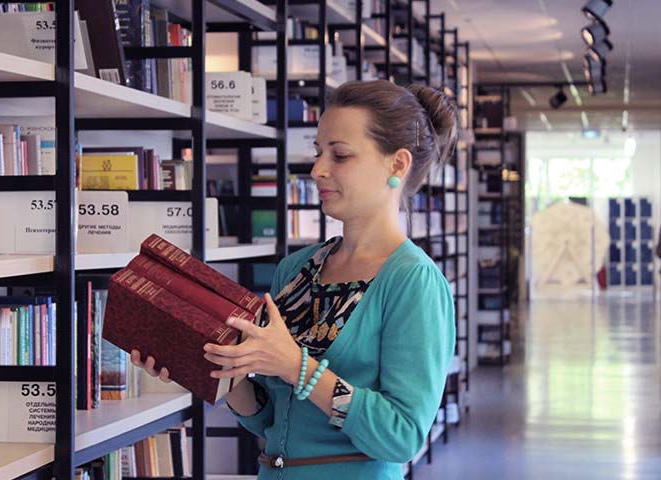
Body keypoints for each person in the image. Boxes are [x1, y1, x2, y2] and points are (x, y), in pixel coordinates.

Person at [131, 80, 457, 479]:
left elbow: (402, 436)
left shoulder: (413, 281)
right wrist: (213, 366)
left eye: (340, 155)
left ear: (398, 165)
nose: (318, 170)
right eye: (319, 153)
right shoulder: (297, 269)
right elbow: (270, 420)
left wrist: (297, 368)